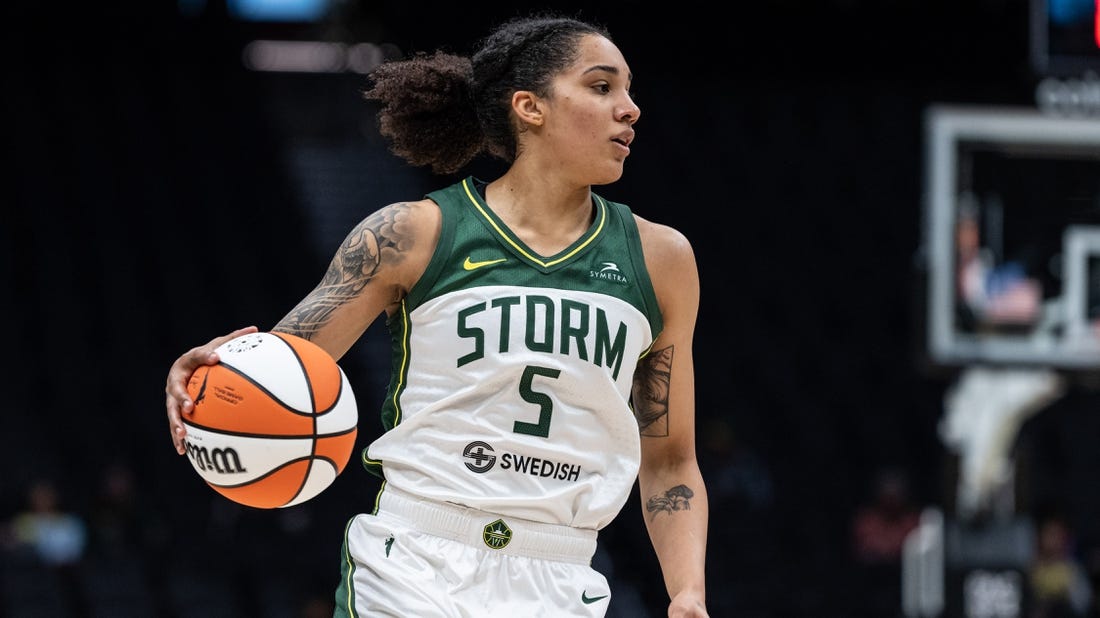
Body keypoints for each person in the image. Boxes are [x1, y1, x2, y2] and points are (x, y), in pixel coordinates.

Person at [164, 12, 709, 617]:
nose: (630, 108)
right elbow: (278, 372)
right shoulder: (413, 233)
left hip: (562, 573)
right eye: (603, 86)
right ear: (530, 107)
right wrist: (206, 378)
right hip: (415, 561)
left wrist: (687, 592)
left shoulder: (661, 259)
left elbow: (671, 459)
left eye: (630, 90)